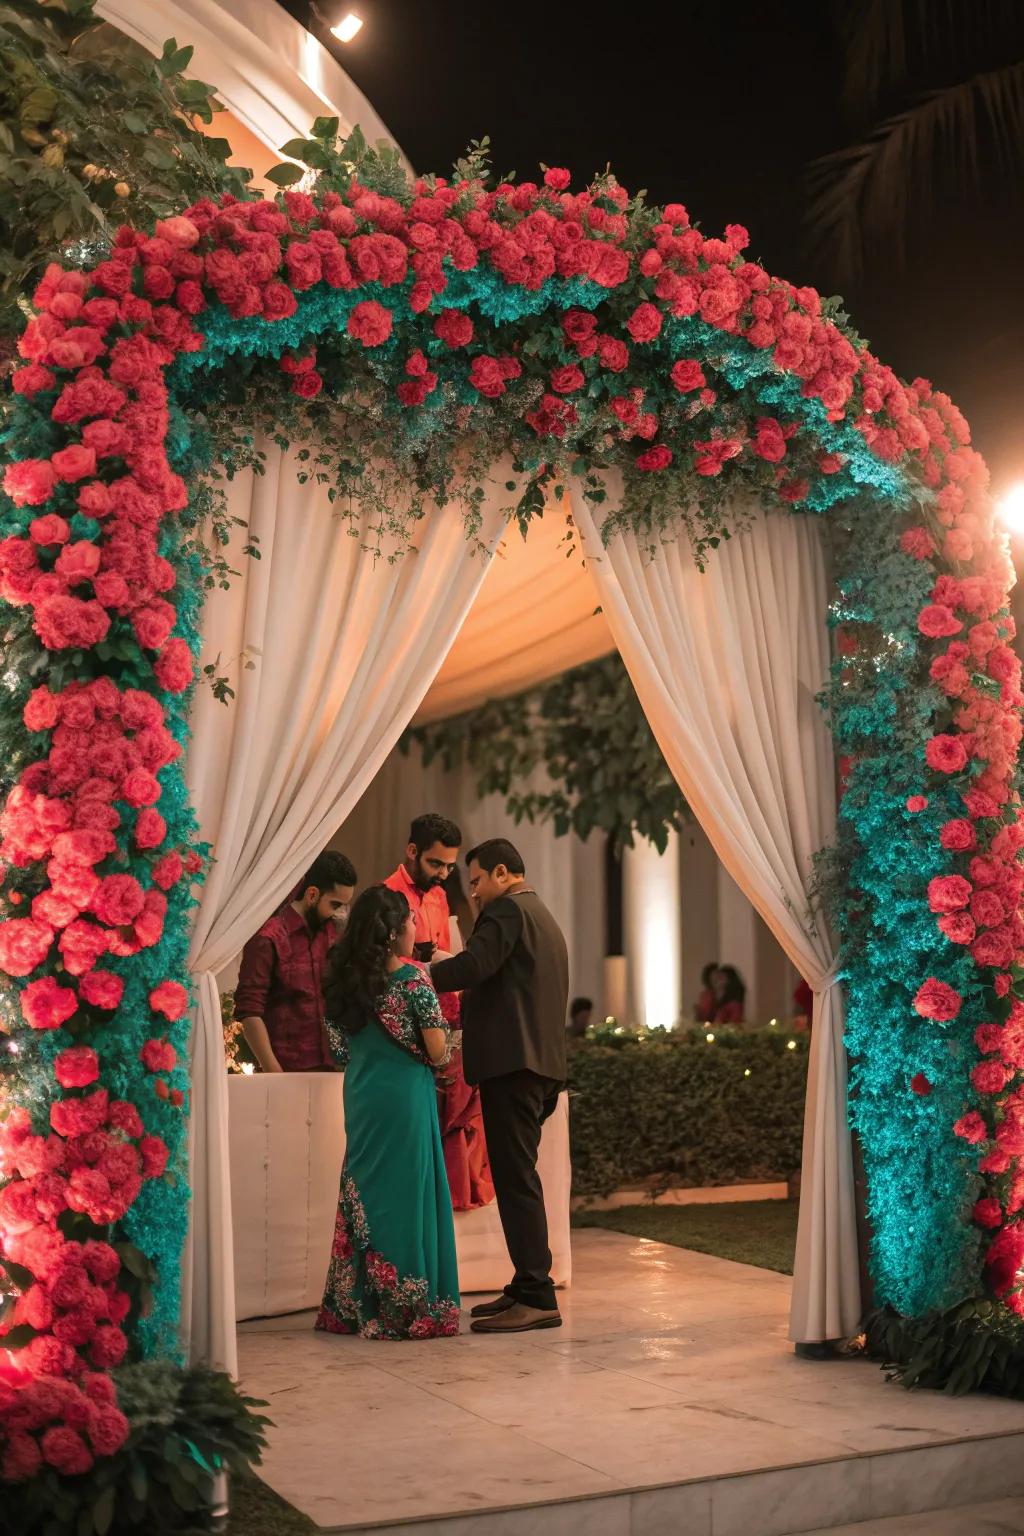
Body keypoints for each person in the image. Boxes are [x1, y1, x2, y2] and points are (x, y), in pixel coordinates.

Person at [432, 839, 568, 1335]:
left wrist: (417, 975)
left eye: (476, 881)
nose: (473, 894)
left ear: (503, 873)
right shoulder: (541, 915)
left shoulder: (507, 911)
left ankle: (536, 1294)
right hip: (538, 1066)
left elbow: (473, 966)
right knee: (520, 1178)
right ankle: (525, 1283)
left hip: (514, 1067)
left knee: (516, 1182)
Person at [315, 885, 461, 1340]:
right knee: (408, 1194)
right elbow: (438, 1051)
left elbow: (340, 1049)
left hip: (362, 1095)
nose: (416, 928)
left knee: (365, 1187)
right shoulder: (414, 980)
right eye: (411, 922)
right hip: (405, 1098)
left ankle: (355, 1304)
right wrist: (441, 1051)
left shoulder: (339, 981)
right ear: (395, 931)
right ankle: (409, 1307)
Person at [385, 815, 494, 1213]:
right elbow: (388, 967)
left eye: (450, 866)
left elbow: (444, 963)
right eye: (436, 864)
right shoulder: (388, 895)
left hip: (446, 1019)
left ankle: (452, 1207)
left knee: (457, 1119)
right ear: (412, 852)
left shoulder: (439, 895)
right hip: (407, 1026)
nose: (444, 874)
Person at [234, 851, 357, 1073]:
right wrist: (274, 1071)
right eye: (335, 904)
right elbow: (249, 1011)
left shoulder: (331, 933)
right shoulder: (268, 937)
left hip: (333, 1070)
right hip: (286, 1070)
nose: (339, 913)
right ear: (312, 895)